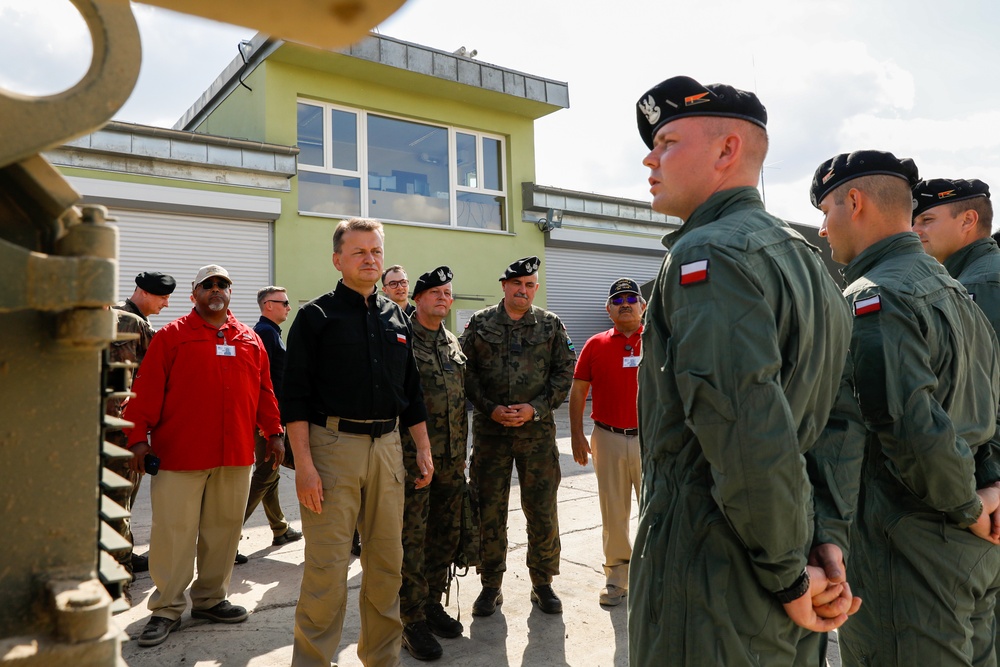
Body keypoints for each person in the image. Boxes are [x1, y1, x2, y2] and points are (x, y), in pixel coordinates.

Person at [630, 75, 865, 666]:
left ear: (727, 150)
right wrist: (825, 541)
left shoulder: (708, 253)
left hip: (716, 577)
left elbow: (745, 429)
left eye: (668, 142)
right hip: (790, 555)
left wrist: (789, 576)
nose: (649, 157)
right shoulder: (808, 260)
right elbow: (839, 418)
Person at [811, 151, 1000, 666]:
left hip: (909, 543)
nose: (823, 230)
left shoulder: (875, 296)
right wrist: (989, 490)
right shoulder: (956, 291)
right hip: (972, 541)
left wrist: (966, 504)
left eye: (825, 211)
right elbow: (990, 404)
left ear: (854, 202)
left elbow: (910, 426)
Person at [282, 218, 434, 667]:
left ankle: (381, 659)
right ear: (338, 260)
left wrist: (421, 448)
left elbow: (411, 390)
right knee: (327, 570)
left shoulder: (396, 316)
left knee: (387, 566)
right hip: (332, 449)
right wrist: (305, 466)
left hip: (388, 449)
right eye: (359, 252)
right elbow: (294, 397)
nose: (371, 259)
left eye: (376, 252)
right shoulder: (315, 317)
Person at [124, 264, 284, 648]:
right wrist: (137, 440)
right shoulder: (171, 337)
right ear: (193, 294)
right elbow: (145, 391)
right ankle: (166, 608)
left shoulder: (249, 338)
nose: (216, 290)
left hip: (234, 456)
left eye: (223, 284)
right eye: (208, 285)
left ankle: (211, 599)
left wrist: (274, 432)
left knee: (224, 531)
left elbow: (264, 391)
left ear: (230, 293)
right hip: (180, 456)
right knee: (174, 535)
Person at [462, 256, 576, 617]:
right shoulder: (480, 324)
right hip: (491, 434)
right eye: (517, 284)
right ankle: (490, 585)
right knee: (488, 511)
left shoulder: (550, 324)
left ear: (535, 289)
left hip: (537, 435)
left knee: (542, 510)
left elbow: (564, 371)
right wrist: (490, 407)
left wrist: (536, 408)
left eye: (529, 285)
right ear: (504, 286)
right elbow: (466, 373)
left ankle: (542, 583)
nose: (522, 290)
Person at [398, 266, 469, 661]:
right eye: (435, 292)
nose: (443, 298)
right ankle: (410, 620)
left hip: (451, 462)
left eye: (448, 293)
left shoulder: (452, 343)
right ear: (419, 298)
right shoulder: (400, 340)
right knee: (412, 542)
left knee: (443, 537)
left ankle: (431, 603)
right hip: (413, 464)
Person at [568, 277, 644, 608]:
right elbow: (578, 391)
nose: (625, 303)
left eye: (631, 298)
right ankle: (617, 578)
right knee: (613, 511)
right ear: (608, 309)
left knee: (659, 511)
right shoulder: (595, 344)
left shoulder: (659, 340)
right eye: (618, 300)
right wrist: (575, 435)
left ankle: (657, 573)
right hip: (608, 437)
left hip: (652, 440)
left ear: (643, 306)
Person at [107, 271, 176, 584]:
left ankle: (124, 554)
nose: (165, 303)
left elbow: (153, 379)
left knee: (123, 497)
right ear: (144, 293)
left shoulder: (136, 325)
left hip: (123, 429)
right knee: (115, 499)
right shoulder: (128, 323)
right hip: (105, 428)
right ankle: (117, 568)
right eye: (162, 297)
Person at [235, 286, 302, 565]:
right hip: (267, 418)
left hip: (270, 416)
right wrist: (268, 422)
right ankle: (228, 535)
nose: (288, 307)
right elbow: (260, 382)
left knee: (270, 472)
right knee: (265, 473)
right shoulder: (264, 334)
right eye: (284, 303)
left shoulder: (272, 333)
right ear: (268, 305)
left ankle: (280, 529)